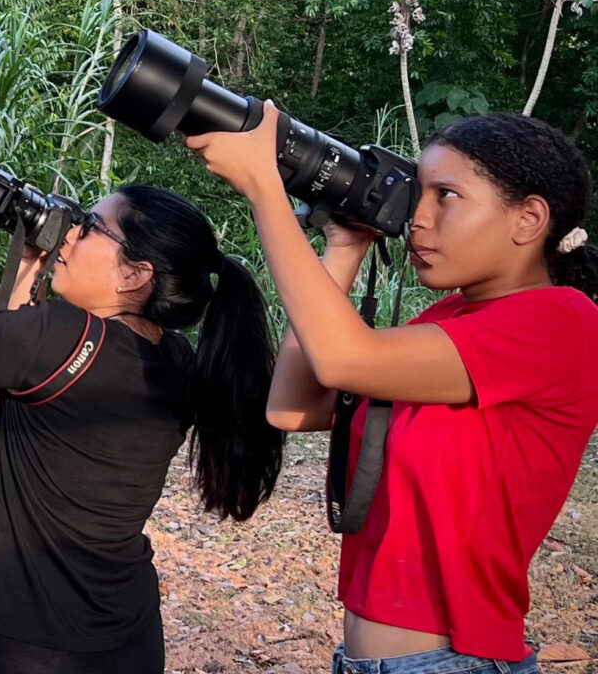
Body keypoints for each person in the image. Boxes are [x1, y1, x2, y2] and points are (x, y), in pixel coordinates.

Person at [188, 106, 598, 674]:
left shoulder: (559, 321)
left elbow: (343, 357)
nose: (417, 219)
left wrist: (265, 189)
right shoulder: (455, 316)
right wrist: (344, 249)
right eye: (418, 192)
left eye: (446, 196)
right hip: (367, 660)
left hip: (454, 662)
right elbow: (293, 407)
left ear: (528, 218)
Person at [0, 147, 285, 674]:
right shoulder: (177, 359)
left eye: (89, 228)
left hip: (20, 637)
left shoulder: (58, 336)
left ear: (135, 274)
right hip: (125, 633)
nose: (68, 233)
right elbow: (19, 377)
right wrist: (27, 274)